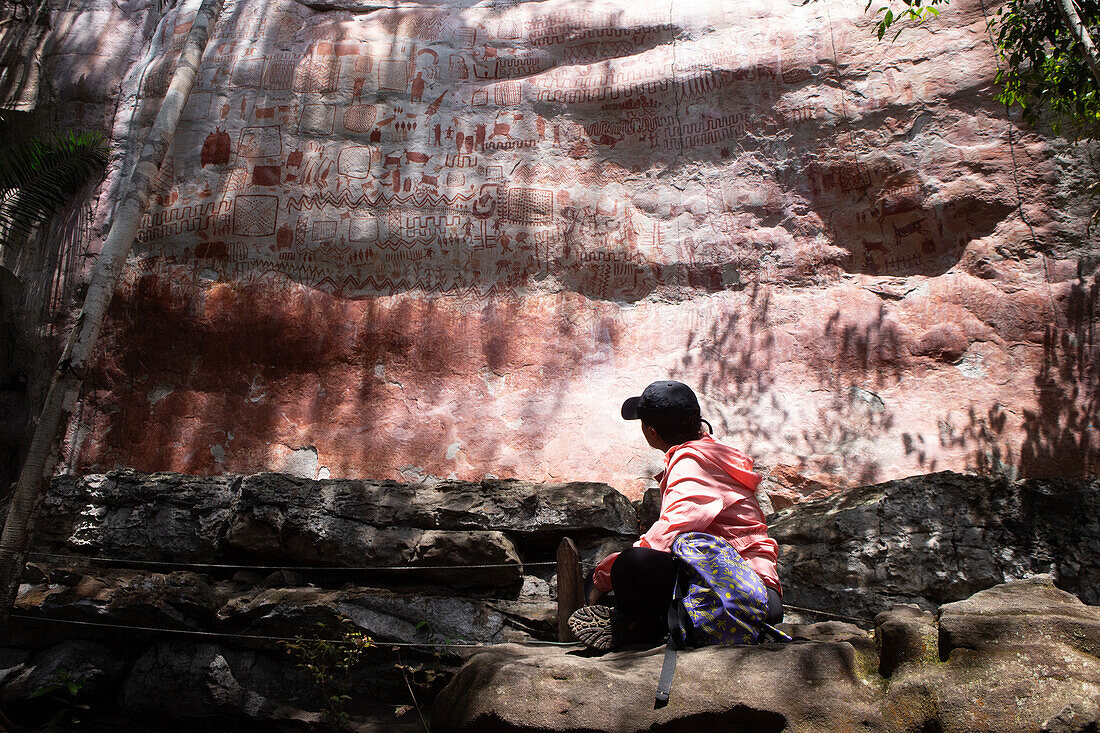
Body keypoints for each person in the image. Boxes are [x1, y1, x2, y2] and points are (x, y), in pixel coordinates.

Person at [568, 380, 783, 651]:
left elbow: (667, 535)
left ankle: (636, 627)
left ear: (651, 432)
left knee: (630, 565)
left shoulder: (692, 464)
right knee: (626, 570)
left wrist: (603, 575)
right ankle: (640, 623)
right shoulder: (714, 452)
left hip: (742, 596)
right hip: (759, 591)